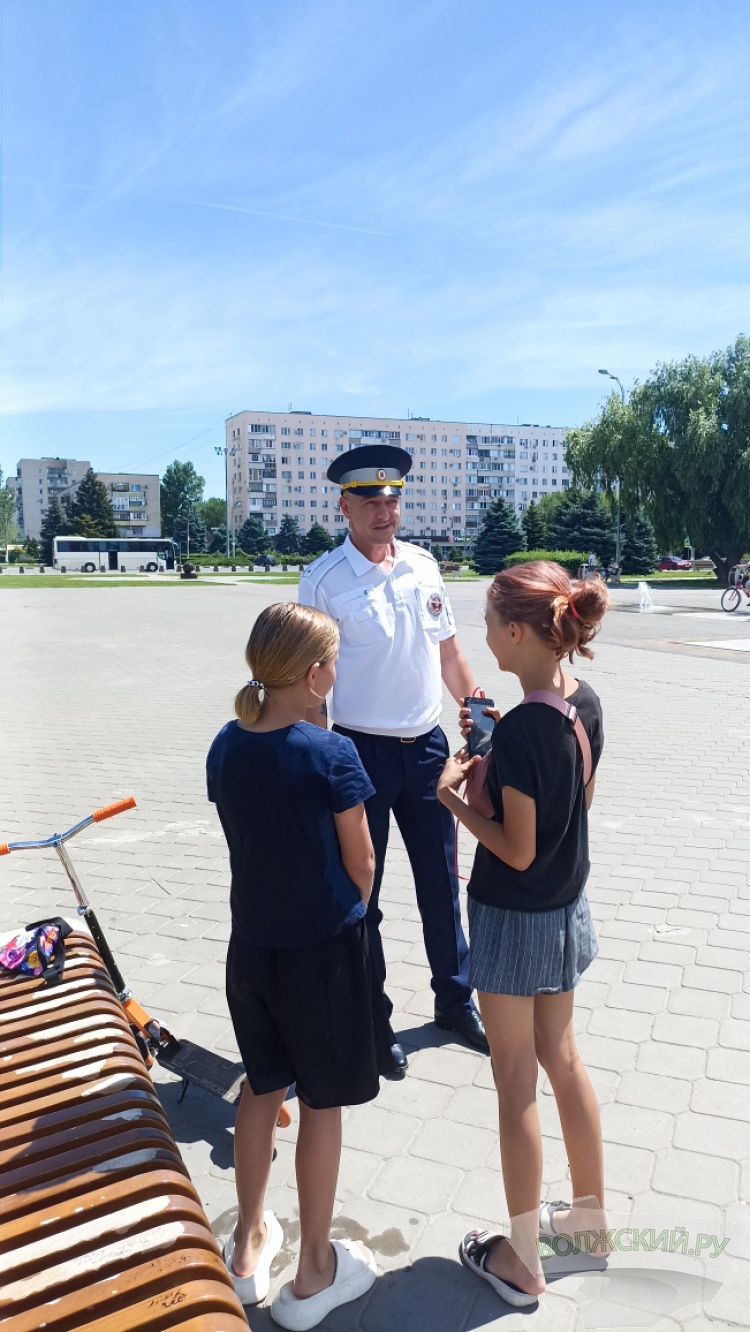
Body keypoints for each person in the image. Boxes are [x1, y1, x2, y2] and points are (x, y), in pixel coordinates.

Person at [436, 561, 609, 1308]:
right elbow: (579, 799)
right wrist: (499, 759)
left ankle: (522, 1259)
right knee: (562, 1058)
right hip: (567, 907)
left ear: (515, 632)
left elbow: (515, 849)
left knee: (515, 1083)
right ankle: (589, 1227)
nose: (482, 637)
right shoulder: (579, 702)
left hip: (515, 914)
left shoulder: (529, 725)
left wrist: (454, 798)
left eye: (486, 624)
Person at [207, 602, 384, 1328]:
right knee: (320, 1102)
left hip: (250, 946)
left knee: (260, 1087)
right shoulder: (331, 753)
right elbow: (363, 861)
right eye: (333, 664)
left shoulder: (225, 743)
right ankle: (313, 1271)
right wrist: (355, 913)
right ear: (315, 677)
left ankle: (247, 1247)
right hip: (320, 954)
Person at [298, 444, 488, 1074]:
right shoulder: (323, 581)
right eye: (371, 501)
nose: (385, 511)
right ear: (344, 505)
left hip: (428, 748)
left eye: (393, 499)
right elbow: (311, 679)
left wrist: (477, 704)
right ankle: (372, 1021)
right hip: (358, 754)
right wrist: (321, 756)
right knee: (363, 891)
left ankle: (454, 1001)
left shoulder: (424, 568)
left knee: (441, 886)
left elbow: (450, 655)